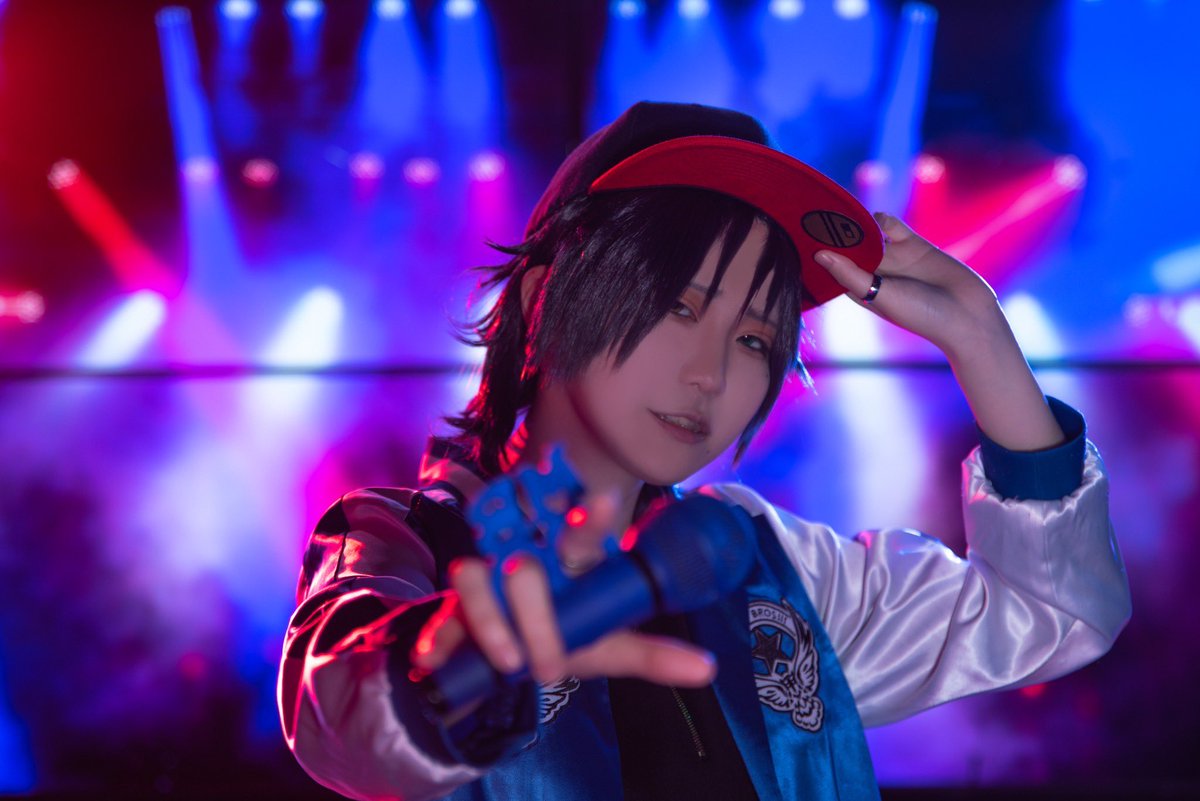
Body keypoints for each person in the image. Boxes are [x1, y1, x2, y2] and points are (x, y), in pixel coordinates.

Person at [277, 102, 1131, 801]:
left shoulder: (766, 565)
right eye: (679, 306)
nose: (712, 372)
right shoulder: (406, 540)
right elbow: (341, 712)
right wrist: (462, 665)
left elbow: (1053, 612)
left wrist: (982, 341)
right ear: (544, 297)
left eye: (756, 338)